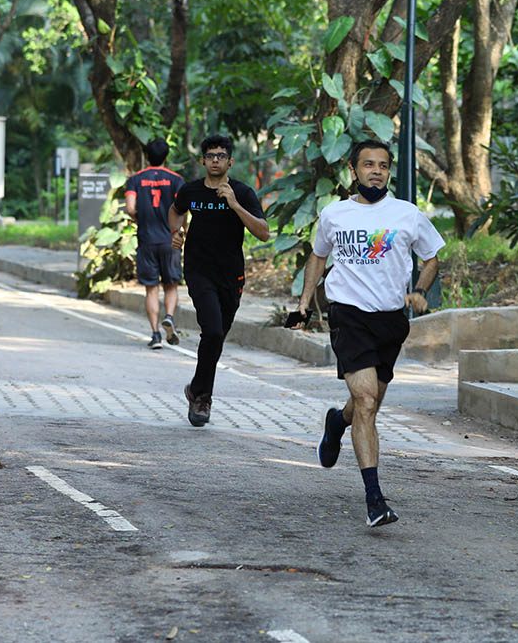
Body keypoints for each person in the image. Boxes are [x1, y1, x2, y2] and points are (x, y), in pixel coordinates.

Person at [288, 139, 445, 528]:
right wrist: (305, 303)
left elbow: (432, 258)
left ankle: (336, 423)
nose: (377, 171)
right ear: (353, 170)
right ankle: (374, 499)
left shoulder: (407, 214)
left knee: (366, 405)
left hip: (390, 320)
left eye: (384, 165)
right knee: (367, 399)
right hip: (348, 315)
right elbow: (317, 256)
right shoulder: (334, 214)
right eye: (369, 164)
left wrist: (420, 290)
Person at [168, 135, 270, 426]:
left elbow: (263, 232)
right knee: (211, 332)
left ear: (230, 161)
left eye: (220, 156)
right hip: (199, 272)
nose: (215, 160)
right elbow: (175, 211)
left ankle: (196, 388)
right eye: (210, 155)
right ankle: (203, 399)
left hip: (231, 276)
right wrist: (176, 232)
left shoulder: (243, 192)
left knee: (216, 338)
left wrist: (235, 205)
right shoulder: (191, 191)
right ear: (202, 161)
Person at [124, 138, 185, 349]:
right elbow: (182, 208)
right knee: (171, 285)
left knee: (151, 289)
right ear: (166, 156)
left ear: (146, 156)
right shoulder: (176, 180)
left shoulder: (135, 179)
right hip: (171, 240)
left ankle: (155, 334)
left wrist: (142, 220)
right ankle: (168, 316)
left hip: (147, 240)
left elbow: (130, 208)